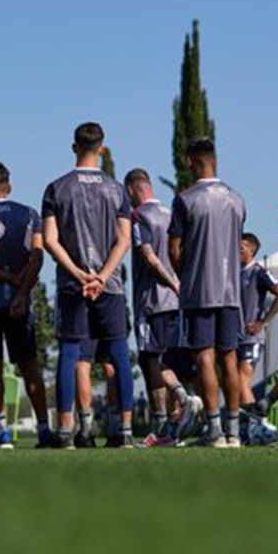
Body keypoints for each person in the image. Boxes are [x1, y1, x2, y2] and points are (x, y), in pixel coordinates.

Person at [41, 122, 135, 449]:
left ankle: (65, 430)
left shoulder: (56, 188)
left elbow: (50, 240)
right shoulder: (117, 189)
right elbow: (124, 240)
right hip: (109, 285)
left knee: (69, 352)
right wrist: (102, 274)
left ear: (73, 147)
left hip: (72, 283)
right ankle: (124, 429)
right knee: (119, 352)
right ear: (102, 148)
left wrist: (80, 274)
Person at [168, 138, 247, 448]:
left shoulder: (185, 199)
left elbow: (174, 249)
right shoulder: (237, 199)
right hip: (230, 292)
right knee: (230, 358)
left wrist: (185, 275)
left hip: (199, 291)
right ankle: (234, 431)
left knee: (204, 357)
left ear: (190, 161)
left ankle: (214, 430)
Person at [0, 162, 50, 449]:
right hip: (19, 302)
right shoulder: (29, 213)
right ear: (10, 186)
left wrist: (5, 277)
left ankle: (1, 432)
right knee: (30, 366)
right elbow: (38, 257)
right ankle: (44, 428)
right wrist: (20, 290)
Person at [124, 168, 182, 439]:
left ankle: (160, 422)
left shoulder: (139, 216)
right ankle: (176, 416)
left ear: (134, 189)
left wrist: (171, 281)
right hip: (176, 303)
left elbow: (148, 256)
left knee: (149, 359)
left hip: (151, 301)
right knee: (171, 360)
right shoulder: (171, 213)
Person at [237, 233, 278, 445]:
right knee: (235, 380)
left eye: (242, 248)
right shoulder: (233, 272)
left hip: (252, 338)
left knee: (242, 378)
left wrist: (263, 322)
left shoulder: (258, 272)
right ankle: (243, 428)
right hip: (234, 336)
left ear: (251, 250)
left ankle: (252, 428)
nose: (238, 251)